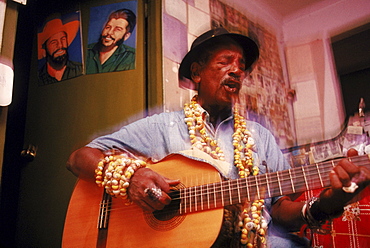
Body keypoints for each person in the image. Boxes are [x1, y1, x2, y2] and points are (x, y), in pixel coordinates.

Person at [67, 28, 370, 247]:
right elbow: (79, 158)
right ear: (197, 73)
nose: (237, 71)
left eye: (241, 66)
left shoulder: (260, 138)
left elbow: (281, 209)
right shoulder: (163, 127)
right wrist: (133, 177)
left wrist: (329, 203)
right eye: (226, 62)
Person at [86, 8, 136, 74]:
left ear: (126, 36)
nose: (109, 32)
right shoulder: (86, 51)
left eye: (117, 29)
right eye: (108, 27)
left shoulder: (131, 57)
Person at [38, 15, 82, 85]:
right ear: (44, 51)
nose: (60, 45)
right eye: (54, 42)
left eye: (63, 39)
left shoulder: (80, 69)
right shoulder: (39, 78)